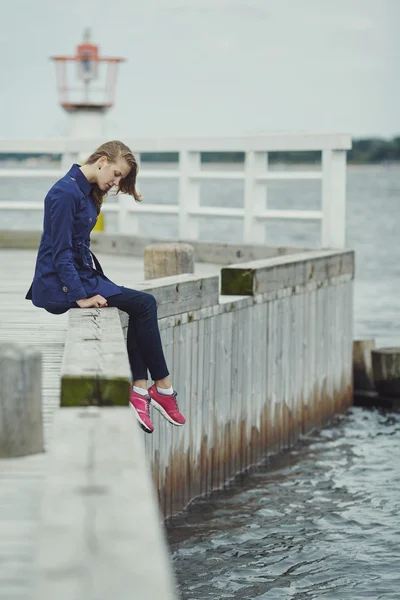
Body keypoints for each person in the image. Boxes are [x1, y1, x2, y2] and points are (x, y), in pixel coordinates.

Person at [25, 140, 186, 434]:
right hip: (58, 284)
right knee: (144, 304)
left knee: (141, 306)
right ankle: (160, 388)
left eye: (120, 178)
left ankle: (141, 391)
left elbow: (77, 248)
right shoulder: (64, 193)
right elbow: (59, 252)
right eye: (115, 173)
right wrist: (80, 297)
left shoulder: (86, 192)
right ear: (101, 160)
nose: (115, 182)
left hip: (81, 275)